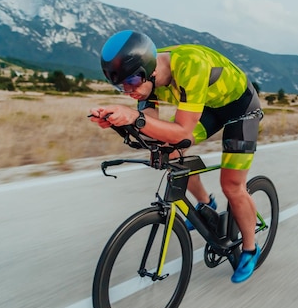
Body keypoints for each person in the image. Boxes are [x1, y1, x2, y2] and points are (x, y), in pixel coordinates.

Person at [89, 30, 264, 283]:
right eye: (121, 86)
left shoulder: (190, 66)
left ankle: (250, 248)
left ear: (149, 70)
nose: (129, 91)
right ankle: (206, 204)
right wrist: (118, 122)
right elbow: (150, 130)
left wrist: (133, 117)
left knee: (232, 186)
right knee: (168, 151)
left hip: (241, 110)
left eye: (132, 82)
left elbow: (181, 131)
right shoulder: (144, 77)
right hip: (209, 108)